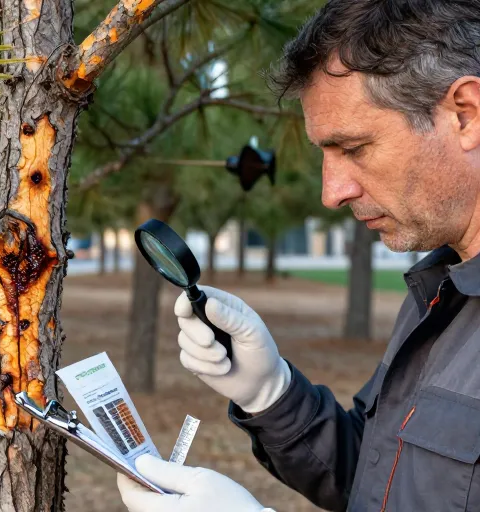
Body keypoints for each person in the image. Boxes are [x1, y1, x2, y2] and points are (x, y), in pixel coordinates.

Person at [117, 1, 480, 511]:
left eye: (354, 148)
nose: (332, 192)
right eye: (324, 155)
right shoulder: (442, 290)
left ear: (465, 114)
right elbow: (379, 480)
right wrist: (272, 394)